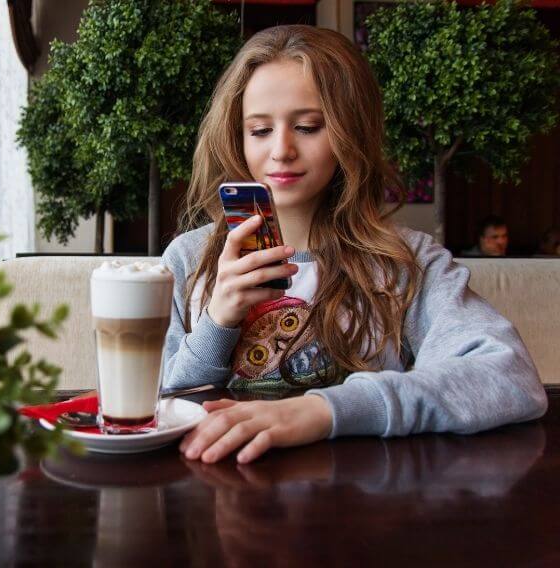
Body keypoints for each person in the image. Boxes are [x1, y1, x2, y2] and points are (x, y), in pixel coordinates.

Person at [160, 25, 546, 465]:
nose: (282, 150)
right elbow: (146, 408)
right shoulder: (190, 260)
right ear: (237, 136)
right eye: (261, 130)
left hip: (361, 504)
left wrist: (325, 410)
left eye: (308, 127)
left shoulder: (406, 263)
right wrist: (216, 324)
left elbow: (510, 377)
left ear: (351, 132)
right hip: (216, 501)